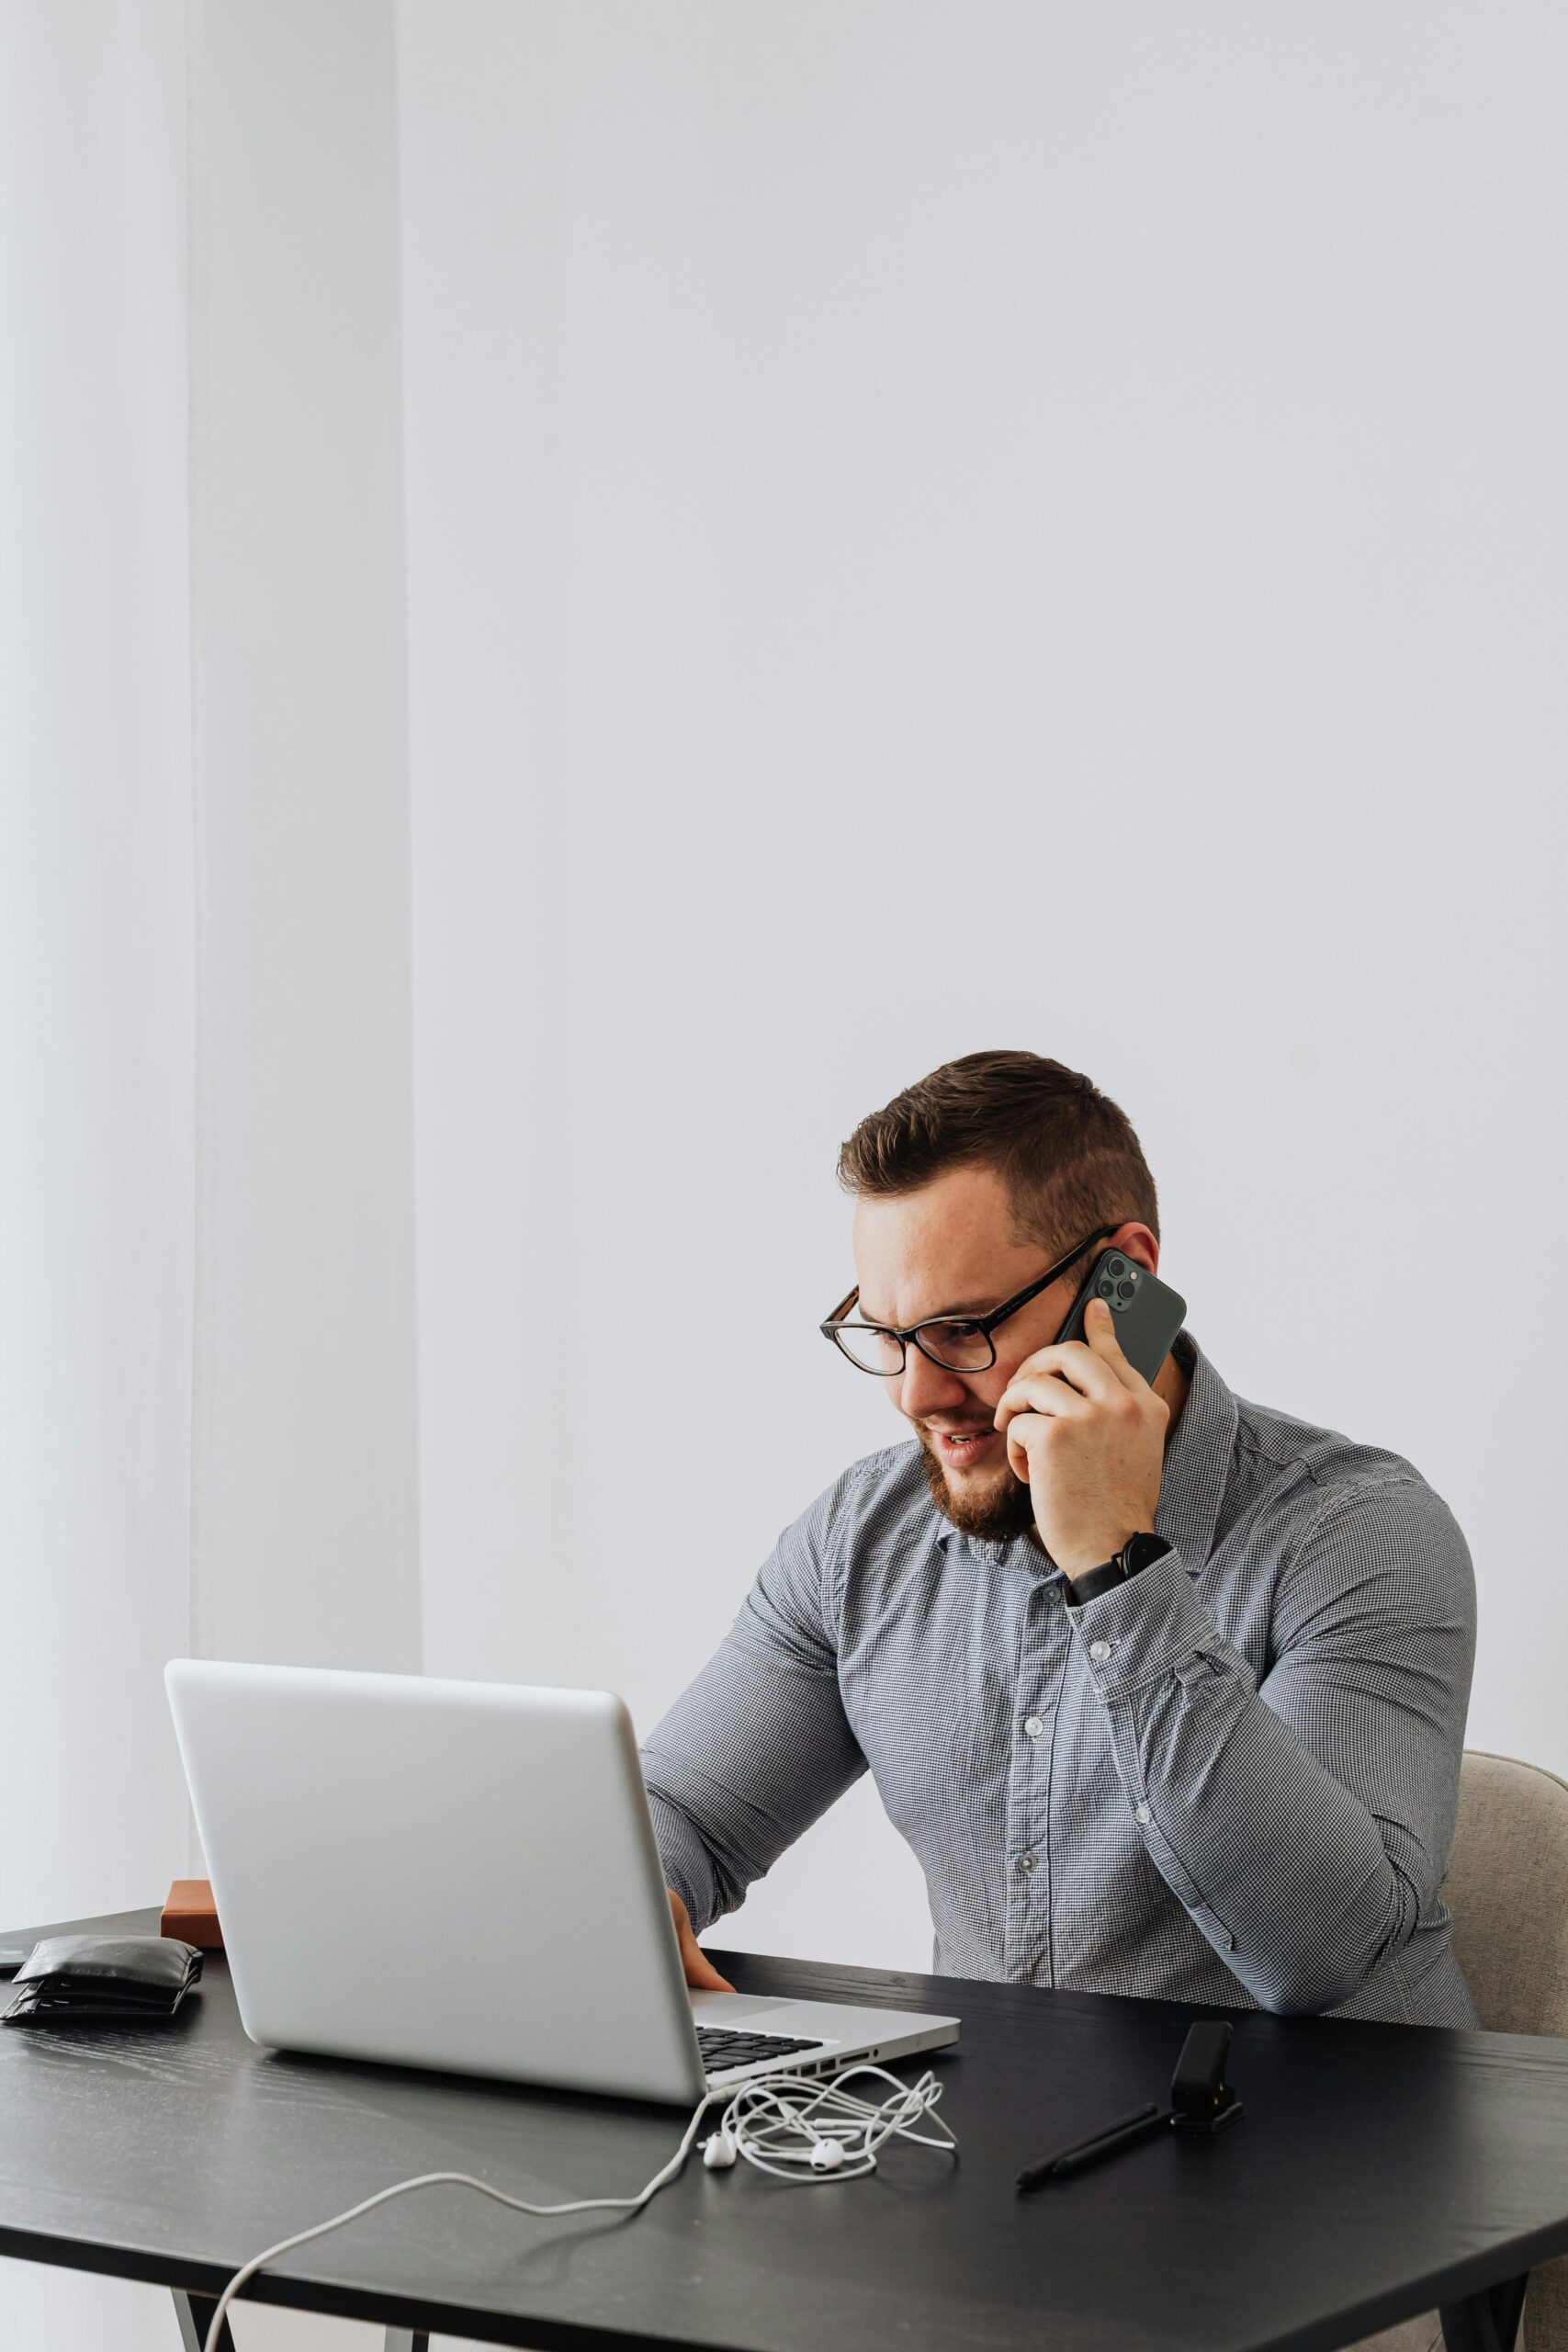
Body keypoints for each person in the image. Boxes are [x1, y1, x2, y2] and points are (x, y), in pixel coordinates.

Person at [643, 1049, 1477, 2030]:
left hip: (1341, 2157)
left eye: (962, 1331)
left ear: (1121, 1280)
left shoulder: (1358, 1531)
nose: (917, 1397)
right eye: (885, 1334)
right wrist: (637, 1895)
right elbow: (684, 1813)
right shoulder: (859, 1540)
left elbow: (1324, 1950)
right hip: (1005, 2156)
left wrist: (1118, 1566)